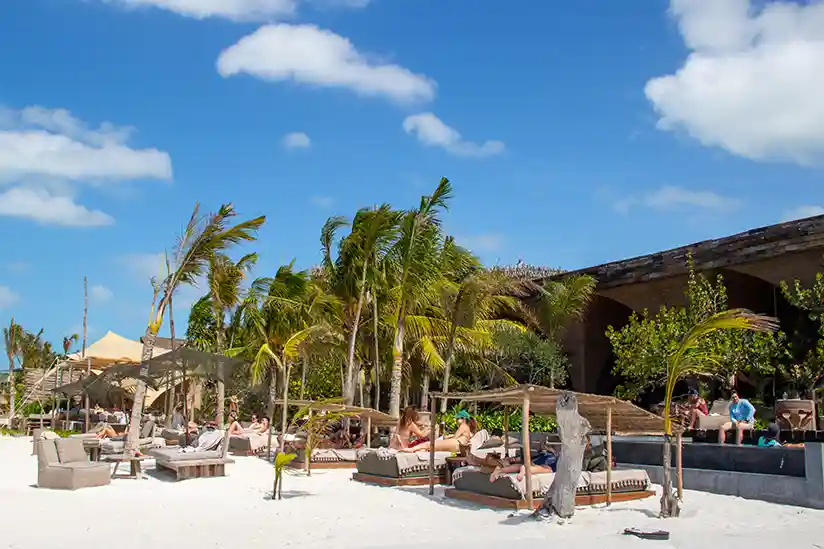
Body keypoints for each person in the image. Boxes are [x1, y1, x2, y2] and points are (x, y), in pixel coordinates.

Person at [401, 409, 475, 453]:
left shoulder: (463, 426)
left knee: (429, 444)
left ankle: (411, 449)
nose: (456, 420)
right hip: (458, 445)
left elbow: (455, 437)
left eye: (457, 419)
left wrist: (447, 437)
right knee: (431, 447)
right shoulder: (467, 428)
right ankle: (416, 450)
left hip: (456, 443)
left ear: (463, 419)